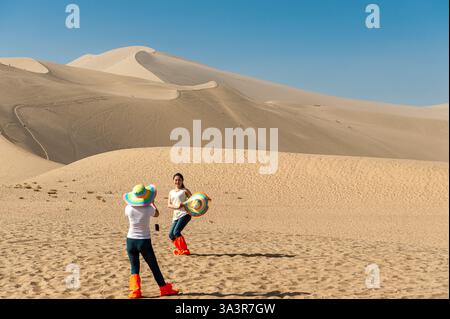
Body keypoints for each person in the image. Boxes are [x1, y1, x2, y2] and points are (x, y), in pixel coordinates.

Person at [124, 184, 179, 298]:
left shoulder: (128, 208)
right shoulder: (149, 208)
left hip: (130, 240)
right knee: (153, 266)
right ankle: (164, 288)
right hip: (144, 241)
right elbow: (157, 213)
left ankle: (135, 291)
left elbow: (128, 215)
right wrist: (152, 203)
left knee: (134, 266)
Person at [167, 173, 192, 256]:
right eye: (176, 180)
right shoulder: (171, 192)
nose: (177, 181)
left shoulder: (185, 191)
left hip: (185, 214)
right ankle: (180, 249)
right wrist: (176, 206)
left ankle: (184, 250)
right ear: (173, 181)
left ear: (182, 181)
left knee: (176, 232)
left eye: (179, 180)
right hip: (176, 215)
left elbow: (193, 200)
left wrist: (184, 204)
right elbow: (169, 204)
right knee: (171, 234)